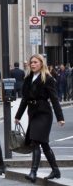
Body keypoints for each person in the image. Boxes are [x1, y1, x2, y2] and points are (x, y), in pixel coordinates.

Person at [15, 54, 65, 182]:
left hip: (44, 113)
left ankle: (33, 172)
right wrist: (18, 116)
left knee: (36, 141)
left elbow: (54, 99)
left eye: (35, 62)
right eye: (31, 62)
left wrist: (60, 117)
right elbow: (25, 99)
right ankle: (55, 170)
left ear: (41, 64)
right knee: (44, 144)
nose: (32, 64)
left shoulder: (47, 79)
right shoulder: (28, 79)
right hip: (32, 113)